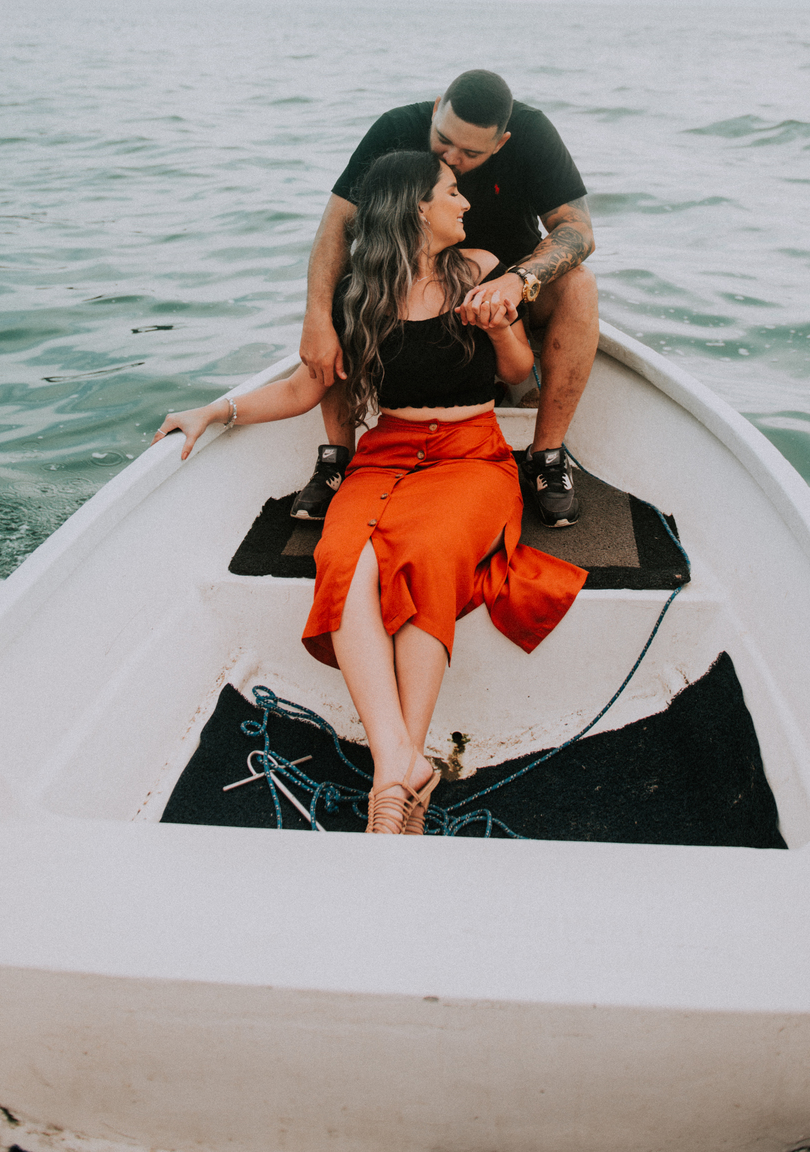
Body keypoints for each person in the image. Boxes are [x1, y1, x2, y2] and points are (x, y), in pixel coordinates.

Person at [153, 151, 586, 835]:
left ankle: (395, 774)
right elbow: (304, 388)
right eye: (451, 192)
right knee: (343, 561)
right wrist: (217, 411)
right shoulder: (358, 296)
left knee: (427, 552)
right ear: (417, 206)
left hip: (472, 457)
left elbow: (519, 376)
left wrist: (502, 324)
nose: (465, 203)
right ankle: (400, 766)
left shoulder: (480, 268)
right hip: (385, 457)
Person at [295, 69, 597, 529]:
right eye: (443, 140)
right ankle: (337, 456)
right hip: (413, 287)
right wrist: (317, 317)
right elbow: (338, 225)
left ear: (501, 143)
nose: (451, 158)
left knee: (580, 284)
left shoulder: (533, 134)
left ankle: (547, 458)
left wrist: (516, 282)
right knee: (344, 286)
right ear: (437, 109)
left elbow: (577, 230)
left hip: (506, 288)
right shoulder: (396, 127)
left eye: (470, 153)